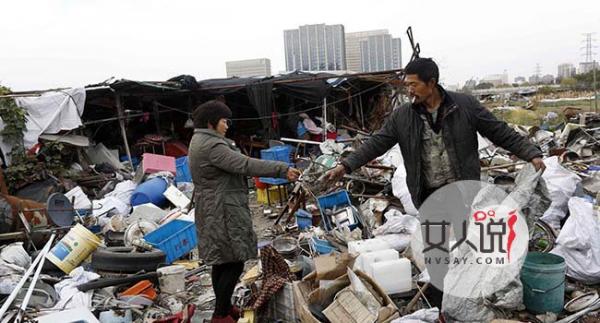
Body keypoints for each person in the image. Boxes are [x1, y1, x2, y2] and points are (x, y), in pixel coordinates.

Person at [325, 58, 545, 305]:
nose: (409, 90)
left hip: (464, 194)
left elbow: (499, 131)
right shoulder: (403, 117)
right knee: (436, 252)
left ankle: (470, 299)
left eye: (413, 84)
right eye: (406, 85)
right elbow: (377, 143)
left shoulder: (465, 106)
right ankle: (443, 305)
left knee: (468, 249)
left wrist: (531, 153)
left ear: (432, 83)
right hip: (430, 195)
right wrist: (346, 165)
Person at [188, 100, 301, 323]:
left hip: (215, 206)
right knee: (234, 260)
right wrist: (281, 169)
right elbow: (245, 165)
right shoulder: (212, 146)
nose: (227, 125)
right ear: (211, 123)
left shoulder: (202, 140)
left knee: (223, 261)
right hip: (221, 209)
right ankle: (220, 315)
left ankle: (224, 308)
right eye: (223, 121)